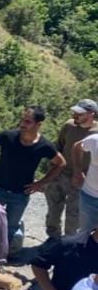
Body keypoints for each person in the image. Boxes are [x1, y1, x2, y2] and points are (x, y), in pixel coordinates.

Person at [0, 106, 65, 253]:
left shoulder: (44, 145)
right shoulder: (8, 136)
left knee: (10, 227)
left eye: (28, 121)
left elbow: (61, 163)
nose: (22, 124)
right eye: (22, 120)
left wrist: (41, 183)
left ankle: (0, 255)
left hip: (20, 194)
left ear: (38, 124)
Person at [49, 99, 98, 238]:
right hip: (61, 173)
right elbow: (58, 147)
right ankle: (52, 239)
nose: (75, 115)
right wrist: (51, 172)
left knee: (74, 213)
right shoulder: (69, 125)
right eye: (75, 112)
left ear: (91, 114)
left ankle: (69, 242)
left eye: (80, 113)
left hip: (83, 179)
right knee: (53, 208)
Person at [69, 100, 98, 233]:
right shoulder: (95, 140)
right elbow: (76, 147)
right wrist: (78, 171)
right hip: (89, 195)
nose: (75, 116)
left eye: (80, 114)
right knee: (83, 231)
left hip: (87, 190)